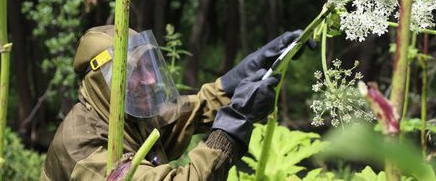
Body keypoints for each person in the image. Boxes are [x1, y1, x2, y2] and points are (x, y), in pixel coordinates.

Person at [40, 25, 301, 180]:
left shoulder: (126, 114)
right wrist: (236, 123)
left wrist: (254, 66)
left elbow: (195, 109)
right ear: (102, 82)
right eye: (135, 71)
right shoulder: (83, 149)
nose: (151, 79)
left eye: (148, 66)